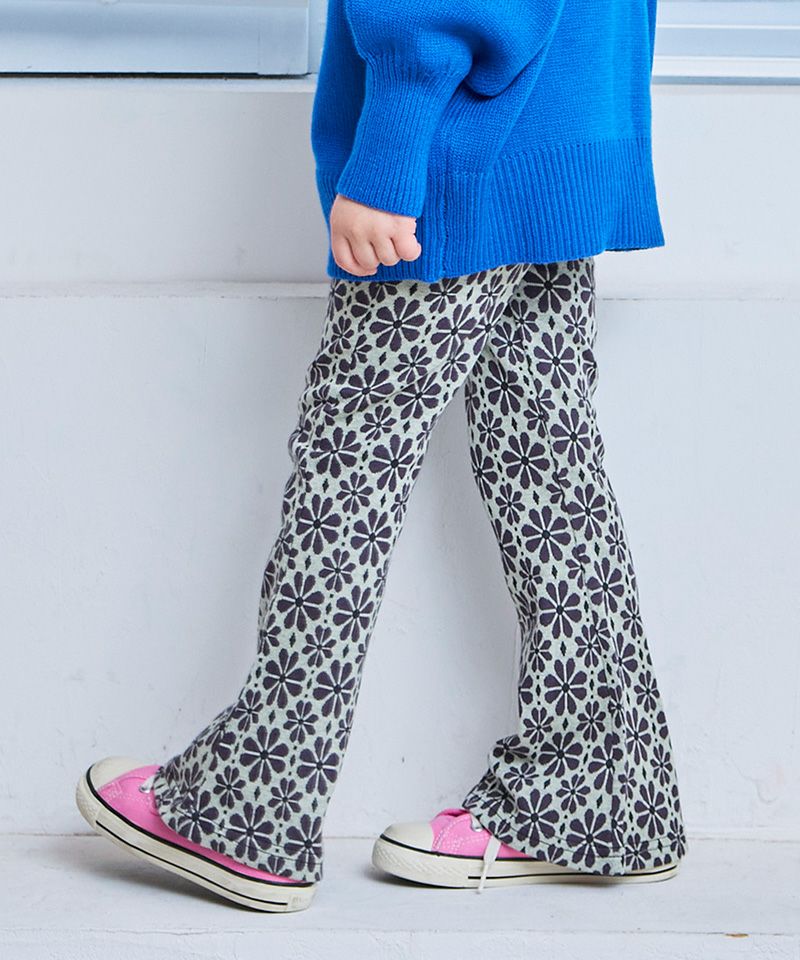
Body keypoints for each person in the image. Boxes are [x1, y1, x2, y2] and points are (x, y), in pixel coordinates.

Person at [75, 0, 688, 912]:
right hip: (567, 112)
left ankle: (255, 802)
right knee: (547, 464)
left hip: (462, 138)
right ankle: (601, 789)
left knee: (351, 462)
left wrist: (397, 136)